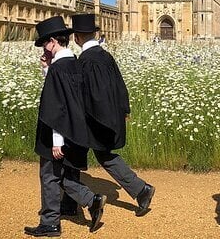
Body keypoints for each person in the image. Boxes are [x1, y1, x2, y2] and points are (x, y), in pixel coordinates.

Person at [60, 14, 155, 217]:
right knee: (103, 155)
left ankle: (71, 203)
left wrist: (82, 118)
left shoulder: (88, 60)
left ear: (76, 37)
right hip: (107, 115)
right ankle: (140, 190)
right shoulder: (104, 55)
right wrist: (123, 110)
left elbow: (94, 96)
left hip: (93, 118)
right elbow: (120, 85)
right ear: (95, 33)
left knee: (73, 155)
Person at [24, 16, 107, 237]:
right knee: (69, 170)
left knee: (50, 175)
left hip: (57, 132)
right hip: (77, 130)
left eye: (44, 43)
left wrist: (56, 141)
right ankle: (70, 206)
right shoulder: (75, 63)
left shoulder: (58, 70)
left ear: (52, 41)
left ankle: (51, 221)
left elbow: (56, 106)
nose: (43, 48)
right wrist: (46, 69)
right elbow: (70, 97)